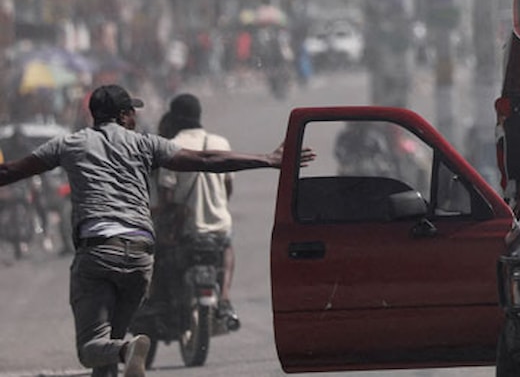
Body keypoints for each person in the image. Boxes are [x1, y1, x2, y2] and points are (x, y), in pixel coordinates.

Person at [0, 84, 312, 377]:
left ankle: (125, 350)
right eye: (132, 111)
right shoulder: (145, 143)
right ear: (123, 116)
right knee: (110, 348)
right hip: (140, 256)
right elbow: (206, 159)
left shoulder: (70, 143)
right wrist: (267, 160)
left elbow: (11, 171)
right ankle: (124, 349)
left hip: (98, 253)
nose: (135, 117)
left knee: (91, 348)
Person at [153, 93, 240, 327]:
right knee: (228, 246)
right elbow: (228, 187)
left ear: (174, 117)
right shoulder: (220, 143)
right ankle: (225, 297)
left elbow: (167, 195)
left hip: (187, 228)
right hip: (219, 225)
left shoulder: (171, 146)